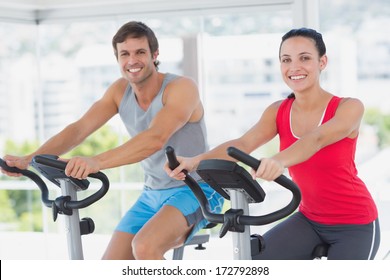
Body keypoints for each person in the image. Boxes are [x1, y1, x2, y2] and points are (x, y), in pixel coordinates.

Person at [0, 21, 223, 260]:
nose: (132, 61)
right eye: (124, 53)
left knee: (145, 247)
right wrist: (29, 159)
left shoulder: (181, 88)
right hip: (152, 193)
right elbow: (79, 129)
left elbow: (155, 138)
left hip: (197, 188)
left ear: (155, 54)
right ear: (117, 58)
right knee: (110, 266)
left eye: (140, 52)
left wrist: (96, 162)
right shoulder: (119, 91)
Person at [165, 27, 380, 260]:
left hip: (355, 224)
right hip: (309, 219)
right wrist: (193, 162)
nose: (294, 67)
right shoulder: (278, 111)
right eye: (286, 60)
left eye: (305, 58)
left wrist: (278, 161)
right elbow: (243, 143)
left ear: (323, 62)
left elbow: (316, 140)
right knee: (255, 263)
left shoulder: (348, 107)